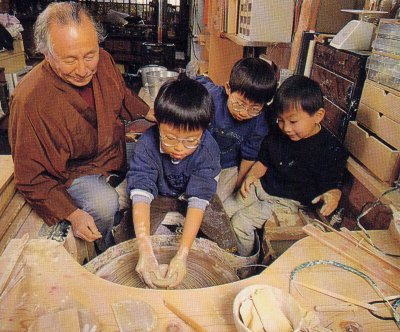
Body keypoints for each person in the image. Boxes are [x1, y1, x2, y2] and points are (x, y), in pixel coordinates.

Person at [8, 2, 151, 252]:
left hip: (111, 151)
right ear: (46, 54)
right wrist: (72, 213)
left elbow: (123, 96)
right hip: (73, 172)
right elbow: (30, 177)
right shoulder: (29, 99)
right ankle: (107, 252)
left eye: (89, 55)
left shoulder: (104, 61)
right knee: (104, 205)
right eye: (70, 60)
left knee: (160, 154)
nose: (84, 70)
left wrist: (154, 114)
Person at [126, 77, 239, 288]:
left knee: (227, 244)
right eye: (169, 138)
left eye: (190, 141)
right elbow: (141, 191)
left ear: (203, 131)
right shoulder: (146, 145)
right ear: (158, 122)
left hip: (193, 192)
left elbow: (198, 200)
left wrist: (182, 255)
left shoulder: (208, 149)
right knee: (128, 239)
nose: (179, 148)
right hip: (159, 193)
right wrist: (145, 249)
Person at [224, 75, 349, 256]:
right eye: (281, 120)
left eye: (293, 121)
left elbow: (333, 186)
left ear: (318, 116)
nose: (286, 128)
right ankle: (222, 252)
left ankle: (245, 266)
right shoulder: (277, 133)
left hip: (286, 201)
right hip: (261, 186)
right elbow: (263, 162)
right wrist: (251, 177)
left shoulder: (330, 149)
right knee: (224, 211)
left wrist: (332, 196)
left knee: (240, 223)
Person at [195, 58, 277, 203]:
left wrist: (236, 186)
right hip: (197, 156)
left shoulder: (260, 123)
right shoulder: (211, 96)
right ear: (228, 88)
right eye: (239, 104)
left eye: (255, 108)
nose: (244, 113)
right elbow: (194, 85)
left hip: (228, 166)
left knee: (215, 203)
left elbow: (248, 157)